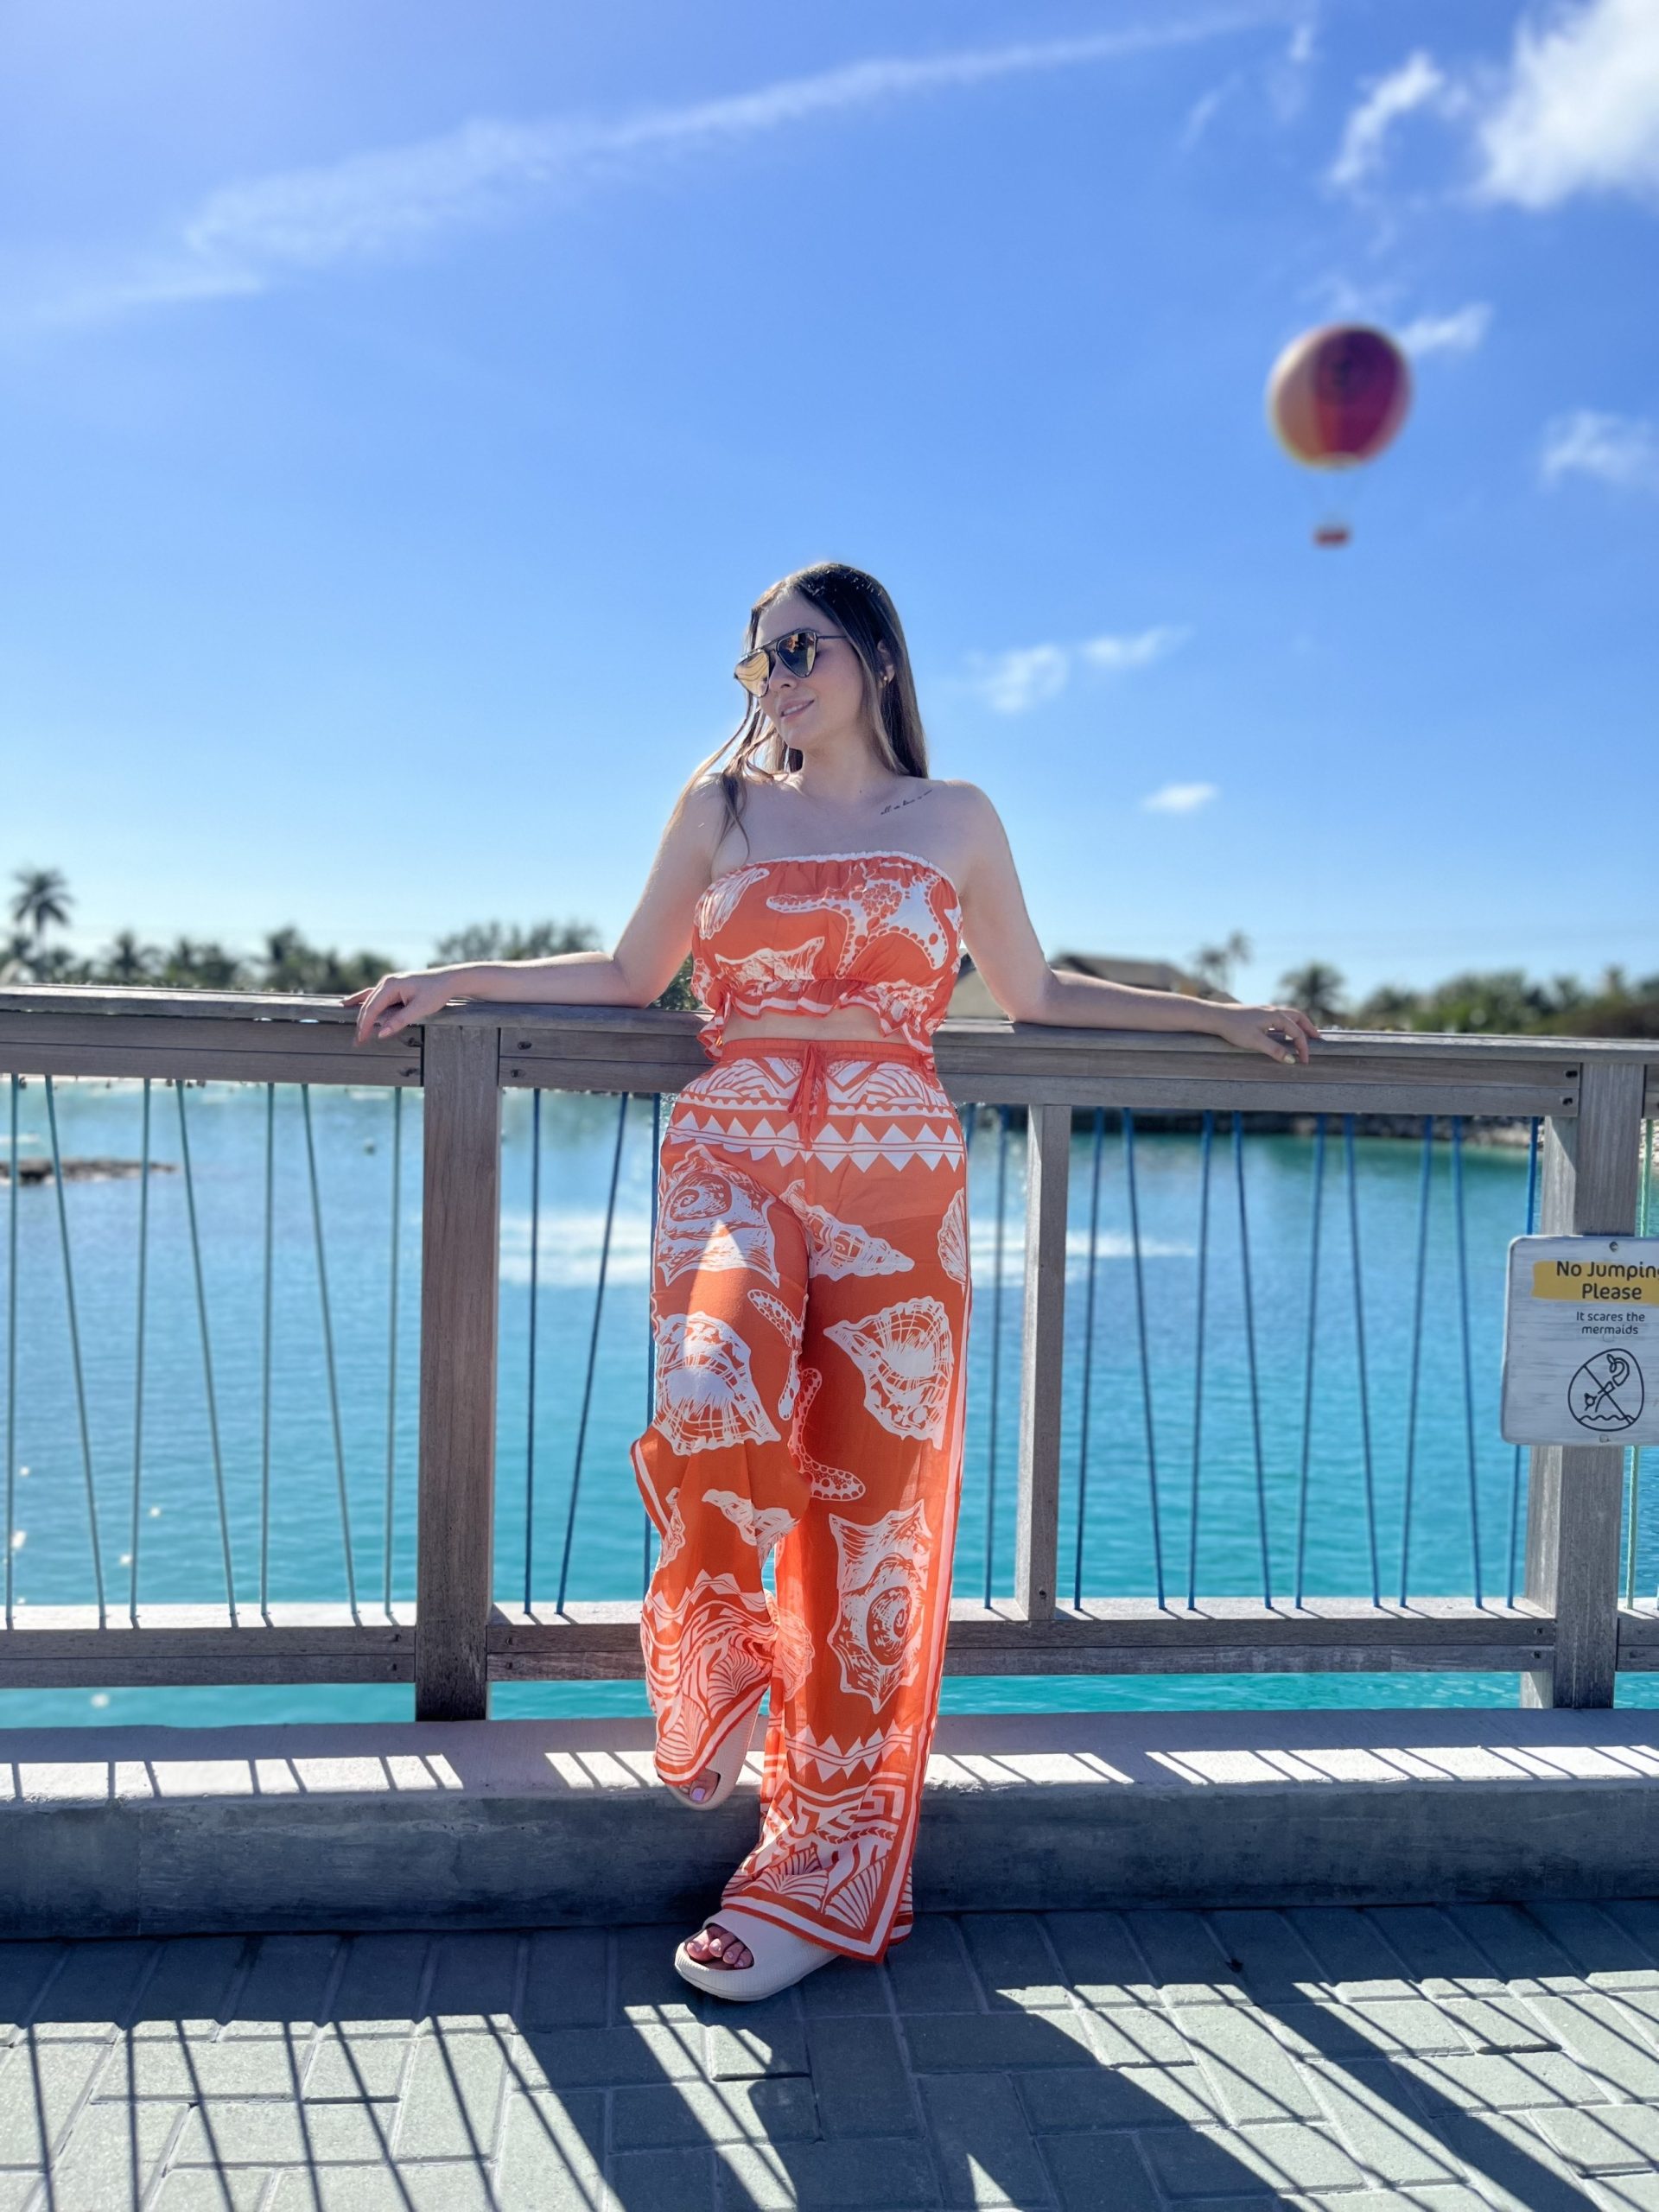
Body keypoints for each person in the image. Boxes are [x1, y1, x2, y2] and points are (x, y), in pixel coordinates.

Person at [347, 560, 1318, 2001]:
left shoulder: (958, 818)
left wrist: (1218, 1019)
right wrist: (461, 981)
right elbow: (629, 973)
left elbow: (1037, 993)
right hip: (734, 1153)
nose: (776, 680)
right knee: (709, 1380)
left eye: (800, 649)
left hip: (900, 1177)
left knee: (873, 1528)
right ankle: (717, 1651)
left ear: (876, 655)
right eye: (757, 661)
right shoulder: (721, 807)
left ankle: (820, 1867)